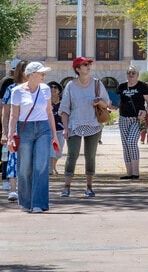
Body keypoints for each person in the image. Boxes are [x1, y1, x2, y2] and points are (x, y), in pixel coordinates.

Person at [7, 62, 58, 213]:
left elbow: (49, 113)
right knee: (25, 167)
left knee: (41, 166)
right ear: (31, 74)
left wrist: (54, 135)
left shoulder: (46, 89)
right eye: (41, 73)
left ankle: (39, 203)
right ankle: (26, 202)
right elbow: (13, 115)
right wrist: (10, 136)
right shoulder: (17, 91)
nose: (44, 75)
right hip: (25, 128)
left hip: (43, 129)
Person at [60, 57, 110, 198]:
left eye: (89, 64)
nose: (88, 66)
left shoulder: (97, 84)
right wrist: (65, 128)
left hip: (93, 124)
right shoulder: (70, 85)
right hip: (74, 124)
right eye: (85, 64)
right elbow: (64, 109)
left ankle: (89, 187)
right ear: (77, 69)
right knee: (72, 155)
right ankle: (66, 187)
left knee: (90, 156)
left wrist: (99, 102)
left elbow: (107, 104)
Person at [117, 65, 148, 179]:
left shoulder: (142, 86)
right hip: (123, 118)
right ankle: (129, 173)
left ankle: (135, 172)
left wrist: (145, 111)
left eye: (133, 73)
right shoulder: (122, 86)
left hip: (138, 119)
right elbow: (117, 101)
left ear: (137, 74)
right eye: (129, 72)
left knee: (131, 142)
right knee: (125, 145)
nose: (131, 75)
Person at [0, 59, 30, 202]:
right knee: (13, 158)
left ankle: (26, 189)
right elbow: (5, 113)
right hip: (15, 128)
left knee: (28, 159)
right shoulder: (11, 89)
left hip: (30, 128)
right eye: (25, 71)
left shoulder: (36, 89)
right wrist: (5, 133)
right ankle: (13, 189)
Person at [48, 81, 65, 175]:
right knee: (51, 150)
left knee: (58, 151)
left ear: (59, 91)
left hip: (60, 129)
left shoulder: (63, 101)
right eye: (51, 87)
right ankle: (50, 169)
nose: (53, 89)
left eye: (55, 87)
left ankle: (53, 166)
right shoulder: (45, 101)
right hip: (48, 130)